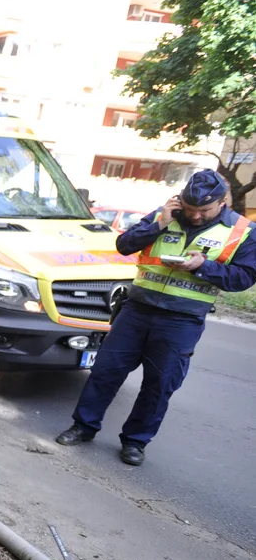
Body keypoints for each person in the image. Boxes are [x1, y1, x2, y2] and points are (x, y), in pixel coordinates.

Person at [55, 170, 256, 465]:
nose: (196, 216)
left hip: (182, 320)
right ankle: (83, 426)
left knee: (159, 385)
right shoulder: (165, 215)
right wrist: (160, 224)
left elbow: (244, 277)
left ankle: (135, 442)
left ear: (222, 202)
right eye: (190, 209)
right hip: (136, 310)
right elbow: (124, 245)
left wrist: (203, 266)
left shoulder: (243, 232)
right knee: (105, 372)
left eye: (203, 211)